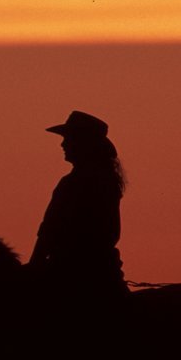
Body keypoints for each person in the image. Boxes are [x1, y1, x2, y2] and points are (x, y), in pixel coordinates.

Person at [29, 110, 127, 302]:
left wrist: (34, 266)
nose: (63, 144)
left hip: (71, 273)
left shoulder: (75, 182)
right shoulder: (106, 180)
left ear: (83, 143)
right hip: (102, 272)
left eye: (69, 139)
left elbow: (49, 232)